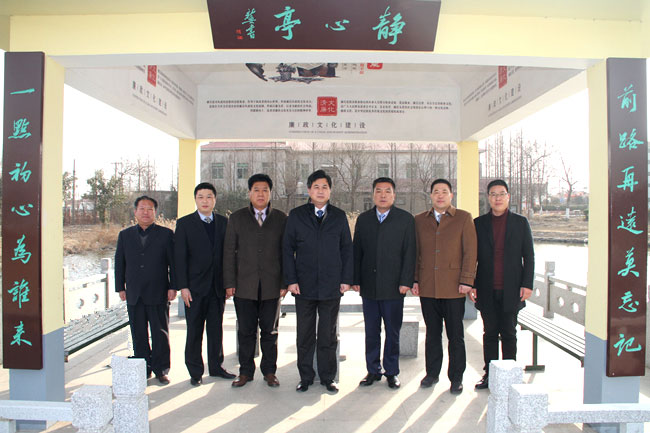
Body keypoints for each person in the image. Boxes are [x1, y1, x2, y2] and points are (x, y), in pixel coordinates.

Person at [283, 169, 353, 394]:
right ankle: (305, 377)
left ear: (330, 191)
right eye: (316, 187)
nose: (320, 191)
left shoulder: (339, 216)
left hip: (331, 285)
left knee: (328, 334)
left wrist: (346, 279)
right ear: (309, 190)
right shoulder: (296, 215)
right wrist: (291, 280)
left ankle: (328, 377)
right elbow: (287, 249)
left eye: (325, 187)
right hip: (303, 285)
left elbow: (347, 249)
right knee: (304, 334)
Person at [223, 174, 288, 388]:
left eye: (265, 190)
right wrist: (229, 282)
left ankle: (269, 372)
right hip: (244, 285)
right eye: (256, 190)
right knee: (246, 332)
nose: (261, 194)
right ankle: (245, 372)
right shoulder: (237, 218)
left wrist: (284, 282)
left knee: (270, 332)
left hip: (272, 285)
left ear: (270, 193)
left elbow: (286, 253)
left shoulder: (281, 218)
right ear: (249, 193)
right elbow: (229, 252)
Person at [413, 179, 477, 395]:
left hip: (454, 287)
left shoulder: (463, 218)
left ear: (451, 195)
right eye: (436, 192)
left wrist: (467, 280)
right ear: (431, 195)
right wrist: (415, 279)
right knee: (432, 334)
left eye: (444, 191)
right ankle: (432, 373)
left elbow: (470, 252)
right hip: (428, 286)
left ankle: (456, 377)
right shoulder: (419, 220)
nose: (440, 195)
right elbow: (415, 252)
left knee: (455, 335)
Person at [352, 177, 416, 389]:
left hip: (394, 286)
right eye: (378, 191)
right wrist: (355, 279)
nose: (383, 195)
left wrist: (406, 281)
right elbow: (357, 251)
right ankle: (373, 370)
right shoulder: (364, 220)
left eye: (387, 191)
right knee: (371, 332)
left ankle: (391, 371)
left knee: (392, 331)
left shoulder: (405, 219)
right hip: (369, 286)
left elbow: (410, 252)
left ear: (394, 195)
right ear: (373, 195)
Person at [472, 179, 534, 390]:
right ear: (488, 198)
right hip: (486, 287)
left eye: (501, 194)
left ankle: (509, 376)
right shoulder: (479, 224)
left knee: (509, 333)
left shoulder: (520, 223)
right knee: (489, 333)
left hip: (512, 288)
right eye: (493, 194)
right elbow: (472, 257)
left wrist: (527, 284)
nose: (497, 198)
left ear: (508, 197)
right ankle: (490, 375)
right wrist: (472, 284)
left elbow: (529, 256)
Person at [175, 182, 235, 386]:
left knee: (216, 330)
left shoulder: (224, 223)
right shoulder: (184, 224)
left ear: (215, 200)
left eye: (209, 196)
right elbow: (179, 258)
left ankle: (216, 367)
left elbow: (229, 256)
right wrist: (183, 287)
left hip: (217, 288)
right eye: (201, 197)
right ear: (195, 200)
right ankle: (195, 372)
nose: (205, 200)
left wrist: (229, 283)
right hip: (194, 289)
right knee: (194, 331)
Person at [115, 196, 176, 385]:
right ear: (135, 212)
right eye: (142, 208)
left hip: (158, 291)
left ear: (155, 212)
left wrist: (173, 286)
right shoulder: (125, 235)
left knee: (160, 333)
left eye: (150, 209)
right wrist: (120, 287)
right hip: (134, 293)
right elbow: (120, 263)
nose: (145, 212)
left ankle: (161, 369)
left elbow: (173, 263)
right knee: (138, 333)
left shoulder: (166, 234)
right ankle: (142, 368)